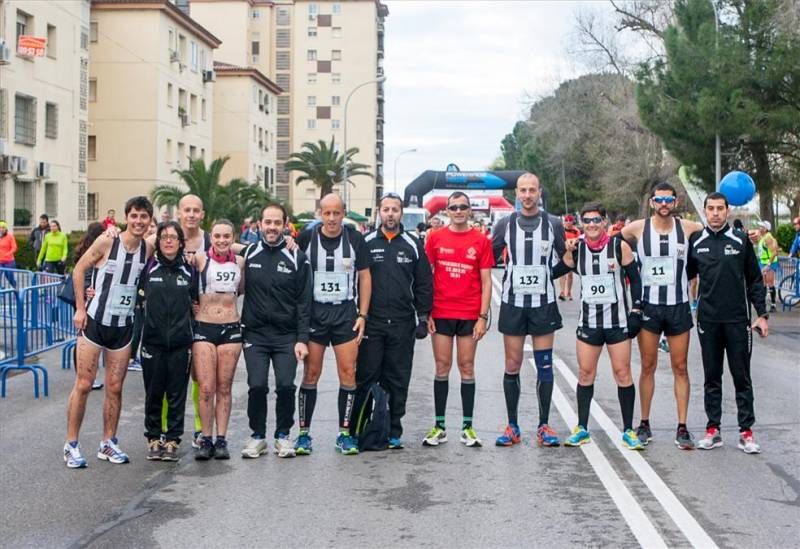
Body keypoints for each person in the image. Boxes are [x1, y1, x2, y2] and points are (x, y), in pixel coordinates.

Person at [63, 196, 153, 469]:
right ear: (127, 217)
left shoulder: (148, 249)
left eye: (144, 217)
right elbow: (79, 270)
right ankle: (71, 444)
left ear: (150, 221)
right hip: (94, 323)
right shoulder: (107, 241)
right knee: (84, 384)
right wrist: (80, 308)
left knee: (115, 387)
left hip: (123, 328)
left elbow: (184, 236)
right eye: (134, 216)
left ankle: (108, 442)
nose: (138, 221)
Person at [620, 182, 703, 450]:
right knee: (648, 366)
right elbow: (614, 242)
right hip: (650, 307)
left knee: (680, 367)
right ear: (652, 203)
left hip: (678, 306)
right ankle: (644, 423)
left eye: (668, 199)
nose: (664, 204)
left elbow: (713, 234)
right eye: (659, 200)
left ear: (675, 202)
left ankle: (682, 426)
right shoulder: (636, 228)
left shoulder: (689, 228)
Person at [558, 202, 645, 450]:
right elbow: (556, 271)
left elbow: (636, 281)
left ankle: (628, 430)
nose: (592, 225)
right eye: (587, 221)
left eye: (597, 220)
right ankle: (582, 428)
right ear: (581, 224)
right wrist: (566, 251)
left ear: (604, 222)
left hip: (617, 323)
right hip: (589, 323)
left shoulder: (619, 246)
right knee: (586, 374)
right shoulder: (578, 249)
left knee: (623, 373)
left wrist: (637, 310)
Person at [688, 192, 768, 454]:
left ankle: (746, 432)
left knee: (741, 377)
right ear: (705, 210)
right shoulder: (696, 241)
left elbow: (755, 280)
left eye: (719, 209)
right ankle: (713, 430)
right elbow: (684, 277)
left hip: (737, 321)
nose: (715, 213)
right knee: (712, 377)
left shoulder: (741, 240)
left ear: (727, 210)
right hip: (708, 321)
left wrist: (762, 315)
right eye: (710, 208)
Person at [490, 174, 566, 448]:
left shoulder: (554, 223)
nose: (527, 195)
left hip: (543, 306)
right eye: (522, 190)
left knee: (544, 365)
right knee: (513, 365)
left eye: (532, 190)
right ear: (516, 194)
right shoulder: (504, 224)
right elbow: (489, 258)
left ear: (539, 192)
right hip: (513, 305)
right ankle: (513, 426)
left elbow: (565, 260)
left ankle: (544, 425)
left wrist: (547, 273)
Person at [295, 193, 372, 455]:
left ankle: (345, 434)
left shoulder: (354, 239)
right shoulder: (307, 237)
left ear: (343, 213)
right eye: (326, 213)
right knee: (311, 374)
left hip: (344, 315)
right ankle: (304, 435)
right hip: (315, 314)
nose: (331, 218)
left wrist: (362, 315)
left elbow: (365, 277)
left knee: (348, 373)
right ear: (319, 213)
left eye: (336, 213)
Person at [358, 193, 433, 449]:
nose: (390, 214)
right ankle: (364, 428)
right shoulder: (365, 242)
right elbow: (356, 281)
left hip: (402, 323)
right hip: (372, 323)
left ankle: (393, 430)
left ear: (402, 213)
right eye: (386, 209)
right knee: (367, 376)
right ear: (379, 212)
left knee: (398, 377)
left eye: (395, 210)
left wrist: (423, 316)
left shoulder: (412, 244)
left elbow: (424, 282)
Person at [240, 204, 312, 459]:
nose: (271, 227)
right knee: (257, 385)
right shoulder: (248, 253)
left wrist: (302, 339)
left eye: (276, 222)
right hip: (255, 335)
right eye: (267, 222)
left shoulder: (297, 257)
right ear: (259, 224)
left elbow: (304, 302)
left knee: (285, 386)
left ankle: (283, 435)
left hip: (287, 337)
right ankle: (258, 436)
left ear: (285, 224)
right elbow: (220, 255)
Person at [423, 191, 493, 448]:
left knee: (467, 366)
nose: (459, 211)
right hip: (441, 312)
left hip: (469, 313)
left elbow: (487, 282)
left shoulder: (481, 240)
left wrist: (482, 317)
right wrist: (426, 312)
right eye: (454, 207)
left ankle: (468, 427)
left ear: (469, 210)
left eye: (463, 206)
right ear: (447, 210)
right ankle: (439, 426)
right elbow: (426, 276)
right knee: (442, 367)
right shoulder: (435, 238)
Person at [139, 221, 198, 462]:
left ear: (181, 242)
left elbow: (196, 302)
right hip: (152, 342)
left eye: (174, 237)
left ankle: (173, 439)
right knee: (154, 392)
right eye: (164, 237)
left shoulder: (190, 270)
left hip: (181, 343)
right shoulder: (148, 268)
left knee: (176, 393)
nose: (169, 241)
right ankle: (153, 438)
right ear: (158, 241)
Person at [191, 219, 245, 461]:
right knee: (206, 387)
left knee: (224, 387)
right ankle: (206, 437)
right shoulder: (199, 259)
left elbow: (241, 290)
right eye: (217, 236)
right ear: (210, 237)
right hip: (204, 327)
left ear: (233, 238)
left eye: (227, 236)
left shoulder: (241, 263)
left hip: (231, 328)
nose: (222, 240)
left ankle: (221, 439)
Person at [71, 222, 107, 391]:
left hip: (80, 298)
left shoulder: (82, 247)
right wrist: (87, 290)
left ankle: (82, 375)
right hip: (86, 299)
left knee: (81, 338)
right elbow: (84, 272)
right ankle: (84, 376)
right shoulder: (94, 250)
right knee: (86, 339)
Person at [754, 221, 779, 312]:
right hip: (763, 263)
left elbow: (774, 252)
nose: (759, 228)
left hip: (770, 263)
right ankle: (763, 304)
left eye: (761, 226)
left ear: (766, 228)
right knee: (763, 284)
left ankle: (773, 305)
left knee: (770, 283)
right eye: (759, 226)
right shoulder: (762, 237)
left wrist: (768, 264)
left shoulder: (768, 238)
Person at [559, 215, 581, 301]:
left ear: (573, 222)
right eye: (566, 221)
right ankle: (562, 292)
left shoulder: (576, 230)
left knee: (570, 274)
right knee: (562, 273)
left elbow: (579, 240)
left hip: (572, 254)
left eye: (570, 221)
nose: (568, 222)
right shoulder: (561, 230)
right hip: (563, 253)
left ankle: (569, 292)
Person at [0, 221, 18, 288]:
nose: (1, 229)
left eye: (3, 227)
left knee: (9, 277)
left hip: (9, 261)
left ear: (6, 228)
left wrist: (8, 253)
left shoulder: (10, 236)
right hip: (0, 261)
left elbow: (14, 247)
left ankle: (15, 288)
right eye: (0, 228)